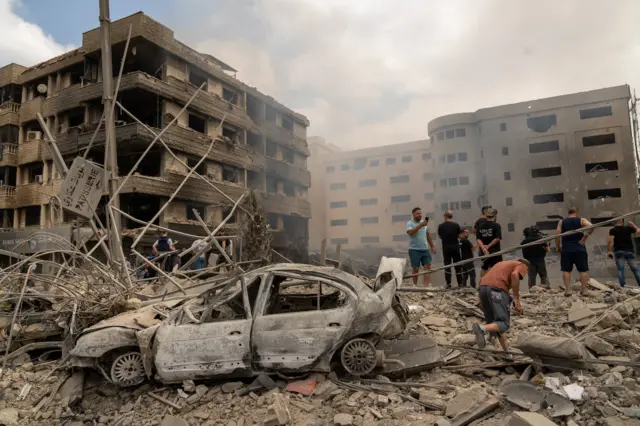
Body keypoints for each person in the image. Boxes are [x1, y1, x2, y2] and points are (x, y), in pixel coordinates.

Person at [472, 259, 530, 352]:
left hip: (483, 288)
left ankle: (506, 351)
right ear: (526, 267)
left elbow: (483, 278)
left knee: (494, 324)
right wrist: (516, 298)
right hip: (497, 290)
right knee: (503, 323)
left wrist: (480, 298)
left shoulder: (500, 264)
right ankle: (481, 329)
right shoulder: (521, 265)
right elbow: (515, 275)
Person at [555, 207, 592, 297]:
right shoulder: (581, 220)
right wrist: (584, 237)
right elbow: (591, 226)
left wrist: (558, 246)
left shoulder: (561, 222)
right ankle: (584, 290)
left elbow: (557, 234)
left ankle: (568, 290)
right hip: (580, 248)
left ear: (568, 213)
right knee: (582, 270)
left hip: (567, 249)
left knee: (566, 270)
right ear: (576, 212)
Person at [406, 207, 437, 286]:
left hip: (425, 249)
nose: (420, 215)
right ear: (413, 214)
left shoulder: (424, 223)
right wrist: (420, 225)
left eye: (420, 213)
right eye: (418, 213)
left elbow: (428, 235)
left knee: (428, 267)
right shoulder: (410, 223)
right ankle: (415, 285)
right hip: (414, 249)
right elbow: (410, 232)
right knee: (416, 268)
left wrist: (432, 246)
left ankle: (425, 287)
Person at [608, 219, 640, 287]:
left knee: (620, 269)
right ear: (621, 222)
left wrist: (609, 251)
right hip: (629, 251)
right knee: (635, 269)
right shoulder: (628, 228)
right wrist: (633, 224)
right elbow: (639, 231)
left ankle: (623, 286)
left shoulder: (613, 230)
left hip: (619, 251)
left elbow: (610, 241)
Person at [476, 208, 502, 277]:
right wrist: (488, 246)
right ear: (495, 216)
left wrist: (484, 248)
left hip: (483, 252)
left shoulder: (480, 226)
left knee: (484, 268)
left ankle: (482, 285)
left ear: (486, 216)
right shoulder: (497, 226)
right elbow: (497, 238)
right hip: (495, 252)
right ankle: (494, 285)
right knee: (496, 268)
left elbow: (478, 239)